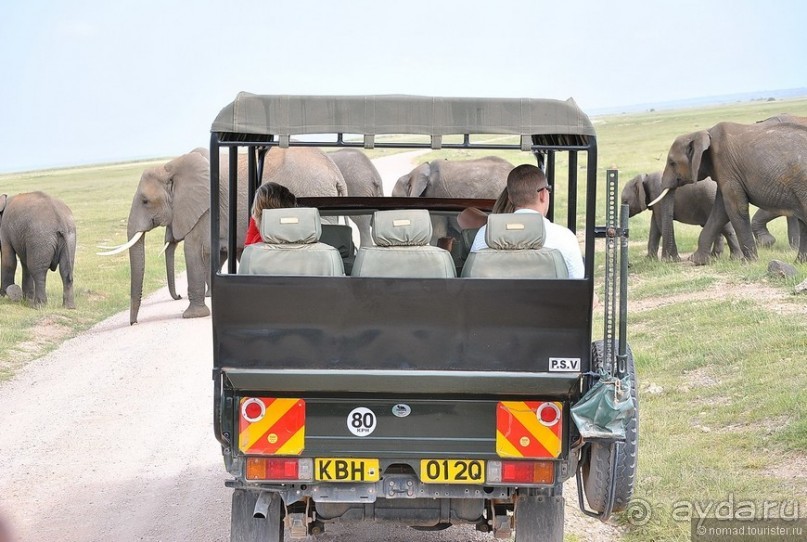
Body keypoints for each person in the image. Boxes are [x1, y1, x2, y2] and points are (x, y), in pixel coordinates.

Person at [469, 164, 584, 279]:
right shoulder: (564, 238)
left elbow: (471, 282)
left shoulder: (484, 235)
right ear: (543, 194)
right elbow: (579, 289)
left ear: (510, 197)